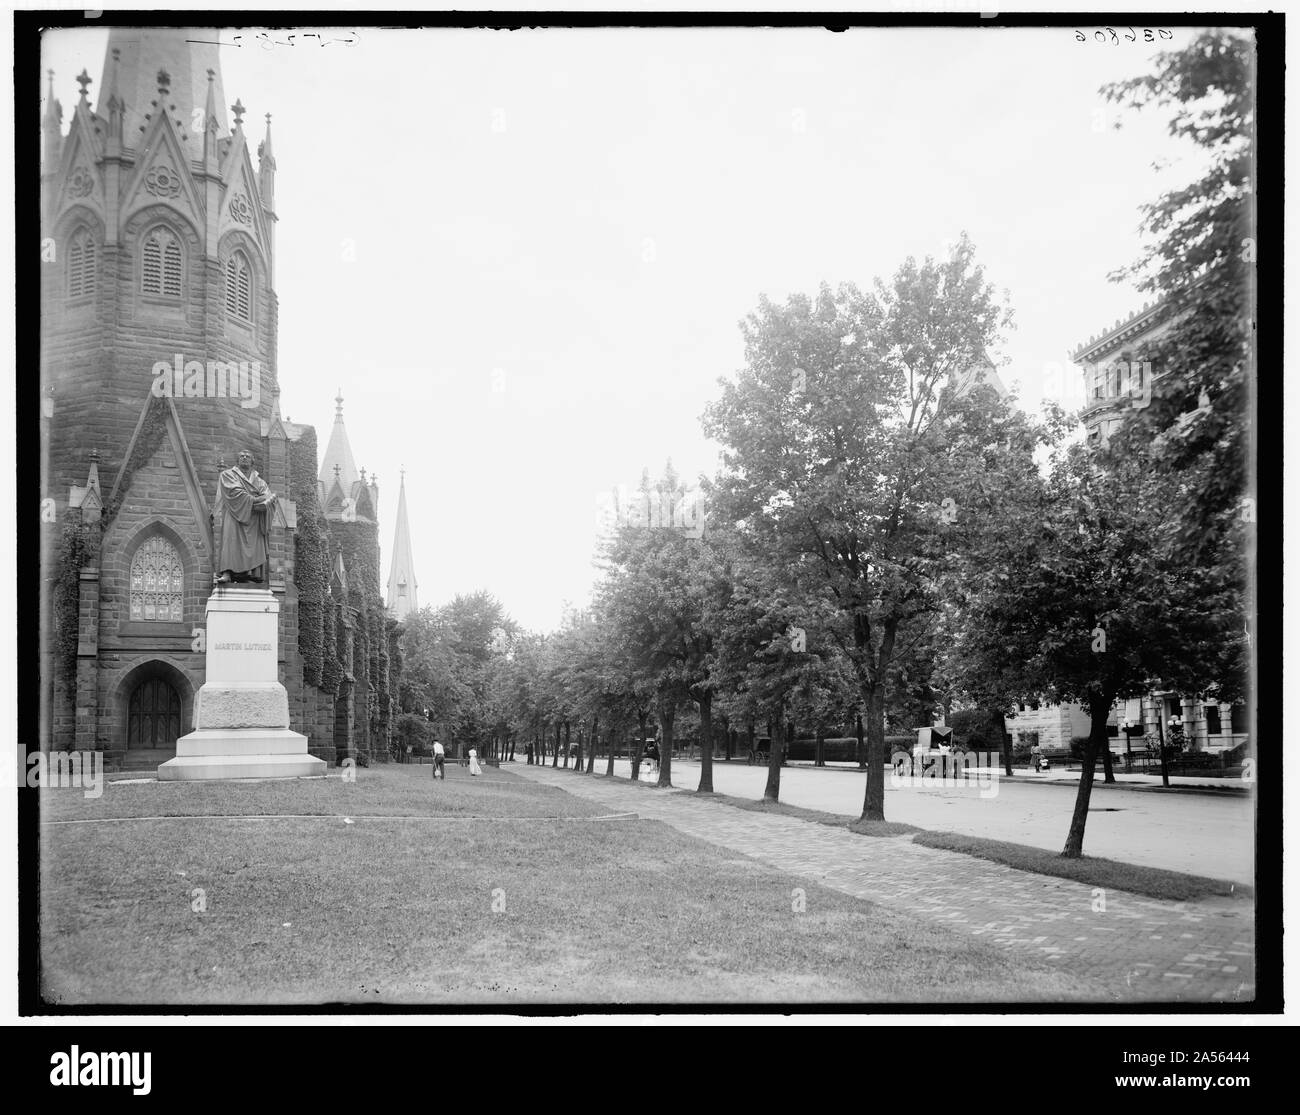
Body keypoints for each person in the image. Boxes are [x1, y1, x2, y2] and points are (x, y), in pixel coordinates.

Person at [212, 450, 276, 584]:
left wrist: (264, 501)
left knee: (254, 544)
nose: (245, 458)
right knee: (231, 541)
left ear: (252, 461)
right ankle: (227, 573)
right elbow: (234, 492)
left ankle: (251, 575)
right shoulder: (228, 475)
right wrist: (257, 499)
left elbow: (268, 496)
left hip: (254, 519)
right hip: (234, 514)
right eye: (242, 456)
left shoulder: (260, 481)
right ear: (238, 460)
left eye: (248, 456)